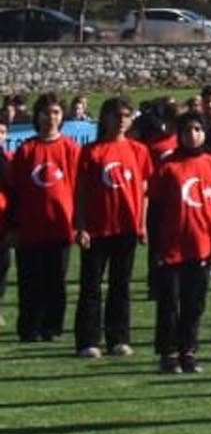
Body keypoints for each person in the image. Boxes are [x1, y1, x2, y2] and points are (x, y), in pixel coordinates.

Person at [147, 111, 211, 372]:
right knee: (169, 303)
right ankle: (168, 352)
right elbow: (155, 211)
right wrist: (156, 248)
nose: (192, 135)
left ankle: (189, 350)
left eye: (197, 129)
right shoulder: (168, 166)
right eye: (187, 130)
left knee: (195, 304)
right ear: (179, 134)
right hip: (171, 247)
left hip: (201, 246)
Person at [76, 97, 149, 360]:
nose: (121, 121)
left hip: (126, 227)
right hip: (96, 228)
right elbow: (81, 192)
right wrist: (81, 225)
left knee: (121, 285)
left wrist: (141, 223)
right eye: (116, 115)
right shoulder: (92, 151)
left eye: (126, 116)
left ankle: (118, 338)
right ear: (105, 118)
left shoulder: (139, 150)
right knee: (91, 286)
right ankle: (88, 340)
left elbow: (144, 190)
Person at [6, 93, 81, 343]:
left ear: (63, 117)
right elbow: (14, 191)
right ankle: (29, 328)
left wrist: (80, 224)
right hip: (30, 227)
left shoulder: (71, 148)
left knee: (56, 281)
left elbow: (80, 189)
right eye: (47, 112)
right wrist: (13, 226)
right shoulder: (26, 150)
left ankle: (53, 327)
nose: (52, 118)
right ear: (37, 116)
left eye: (57, 112)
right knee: (29, 281)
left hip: (61, 226)